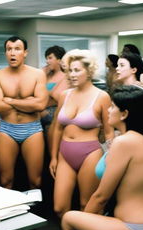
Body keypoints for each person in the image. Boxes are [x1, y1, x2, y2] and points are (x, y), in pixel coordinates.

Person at [62, 85, 143, 230]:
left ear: (124, 114)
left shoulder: (125, 142)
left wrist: (85, 224)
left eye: (113, 106)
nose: (108, 109)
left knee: (69, 219)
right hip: (133, 222)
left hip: (136, 229)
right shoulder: (137, 139)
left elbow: (101, 197)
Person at [49, 49, 114, 219]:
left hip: (90, 153)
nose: (72, 74)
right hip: (64, 154)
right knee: (59, 207)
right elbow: (57, 128)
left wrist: (110, 160)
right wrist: (54, 157)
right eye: (70, 70)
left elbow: (108, 132)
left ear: (89, 71)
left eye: (77, 70)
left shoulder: (102, 96)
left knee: (86, 205)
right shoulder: (64, 95)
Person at [0, 35, 48, 189]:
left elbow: (41, 104)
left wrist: (9, 100)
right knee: (6, 180)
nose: (12, 53)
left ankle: (35, 213)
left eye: (17, 49)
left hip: (32, 129)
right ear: (5, 53)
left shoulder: (37, 74)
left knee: (35, 181)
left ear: (25, 52)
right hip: (7, 129)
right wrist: (29, 101)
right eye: (9, 49)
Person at [41, 45, 70, 150]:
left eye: (50, 58)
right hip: (43, 107)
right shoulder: (47, 75)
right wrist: (43, 73)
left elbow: (57, 97)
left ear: (59, 60)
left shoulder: (65, 76)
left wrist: (46, 92)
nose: (47, 61)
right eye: (46, 58)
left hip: (55, 110)